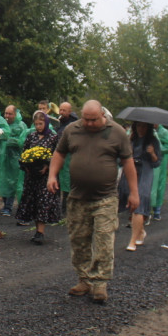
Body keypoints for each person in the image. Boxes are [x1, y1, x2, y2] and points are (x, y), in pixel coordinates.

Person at [48, 100, 138, 302]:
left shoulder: (116, 132)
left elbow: (128, 163)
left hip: (105, 198)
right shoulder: (72, 130)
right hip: (78, 197)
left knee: (103, 240)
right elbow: (60, 153)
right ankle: (84, 279)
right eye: (86, 119)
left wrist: (134, 192)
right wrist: (52, 176)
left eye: (93, 120)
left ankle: (100, 283)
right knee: (79, 240)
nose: (89, 123)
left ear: (102, 115)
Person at [16, 110, 61, 243]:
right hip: (32, 176)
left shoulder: (53, 138)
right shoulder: (31, 137)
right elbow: (25, 153)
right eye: (36, 124)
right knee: (34, 201)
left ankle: (40, 232)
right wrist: (27, 166)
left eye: (41, 124)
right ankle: (37, 230)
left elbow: (56, 156)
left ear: (46, 123)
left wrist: (47, 166)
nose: (38, 127)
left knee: (43, 201)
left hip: (45, 177)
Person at [119, 121, 160, 251]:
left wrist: (152, 154)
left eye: (144, 126)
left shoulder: (153, 141)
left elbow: (157, 162)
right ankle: (140, 231)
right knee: (129, 201)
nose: (141, 128)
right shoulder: (130, 139)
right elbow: (120, 160)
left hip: (145, 171)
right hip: (130, 171)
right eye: (138, 126)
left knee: (140, 201)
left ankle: (132, 241)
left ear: (148, 128)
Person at [0, 104, 28, 218]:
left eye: (10, 113)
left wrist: (9, 140)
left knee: (13, 182)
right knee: (3, 180)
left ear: (15, 114)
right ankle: (6, 204)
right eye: (6, 113)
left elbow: (23, 141)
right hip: (3, 157)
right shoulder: (2, 123)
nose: (7, 116)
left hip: (15, 158)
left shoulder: (21, 125)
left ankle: (8, 206)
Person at [150, 123, 168, 220]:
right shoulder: (147, 130)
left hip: (161, 163)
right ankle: (147, 210)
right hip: (149, 161)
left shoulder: (164, 132)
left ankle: (157, 210)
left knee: (159, 185)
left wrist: (157, 147)